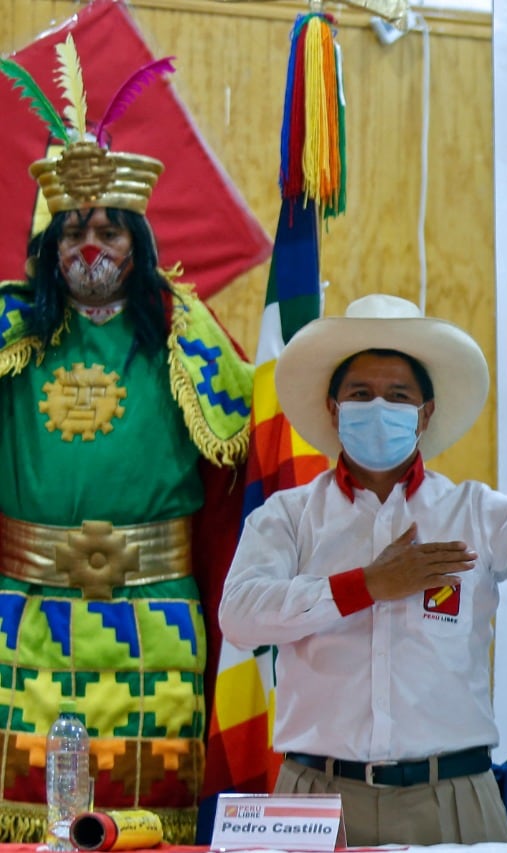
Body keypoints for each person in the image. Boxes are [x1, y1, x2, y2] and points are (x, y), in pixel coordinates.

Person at [218, 293, 507, 846]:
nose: (377, 407)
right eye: (360, 394)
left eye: (398, 396)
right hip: (315, 799)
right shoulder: (291, 517)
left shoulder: (477, 513)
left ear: (425, 413)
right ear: (332, 408)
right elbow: (241, 616)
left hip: (452, 799)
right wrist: (365, 586)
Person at [0, 46, 251, 841]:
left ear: (138, 240)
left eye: (109, 228)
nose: (91, 245)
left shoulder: (185, 329)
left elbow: (247, 453)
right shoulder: (9, 330)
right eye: (73, 229)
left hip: (156, 613)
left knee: (152, 808)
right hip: (22, 609)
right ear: (49, 244)